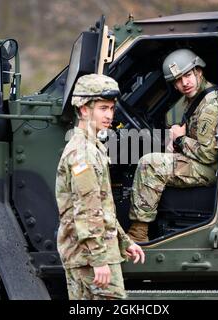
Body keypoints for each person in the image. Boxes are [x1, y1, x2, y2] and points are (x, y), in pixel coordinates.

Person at [55, 73, 145, 300]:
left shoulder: (92, 147)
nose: (109, 115)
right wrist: (99, 260)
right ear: (84, 109)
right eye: (103, 108)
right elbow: (87, 210)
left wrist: (125, 241)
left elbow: (102, 206)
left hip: (92, 253)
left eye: (112, 109)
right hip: (90, 257)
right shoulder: (82, 153)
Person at [127, 49, 218, 243]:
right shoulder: (197, 98)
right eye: (178, 80)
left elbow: (208, 155)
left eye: (187, 75)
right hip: (200, 162)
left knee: (150, 164)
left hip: (209, 168)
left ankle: (138, 234)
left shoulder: (209, 106)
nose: (184, 83)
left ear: (199, 71)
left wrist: (179, 139)